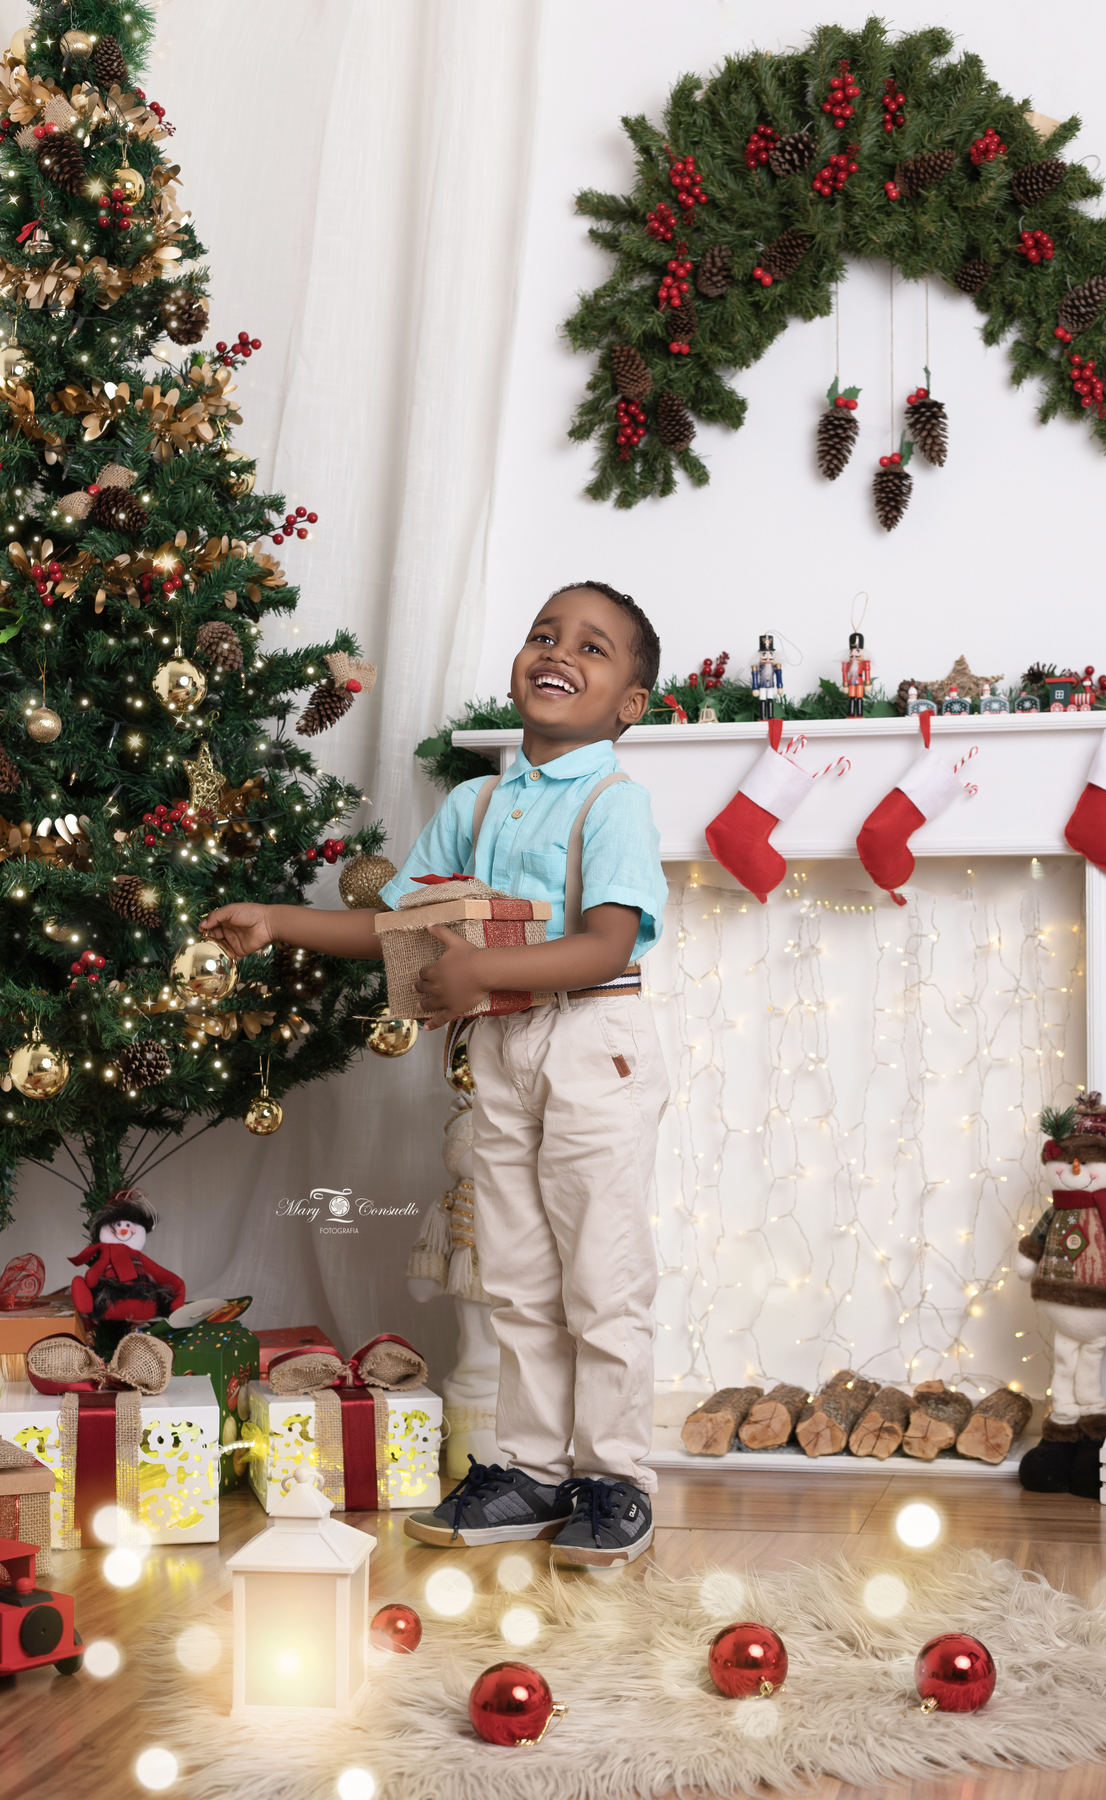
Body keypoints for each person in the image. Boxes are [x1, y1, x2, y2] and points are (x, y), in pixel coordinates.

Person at [202, 582, 669, 1567]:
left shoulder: (612, 804)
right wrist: (279, 919)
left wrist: (485, 967)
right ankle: (534, 1472)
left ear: (630, 703)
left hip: (594, 1046)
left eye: (592, 647)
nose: (559, 651)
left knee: (602, 1277)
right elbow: (396, 929)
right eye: (544, 633)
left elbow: (604, 946)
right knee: (517, 1277)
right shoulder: (478, 802)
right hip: (500, 1051)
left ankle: (618, 1479)